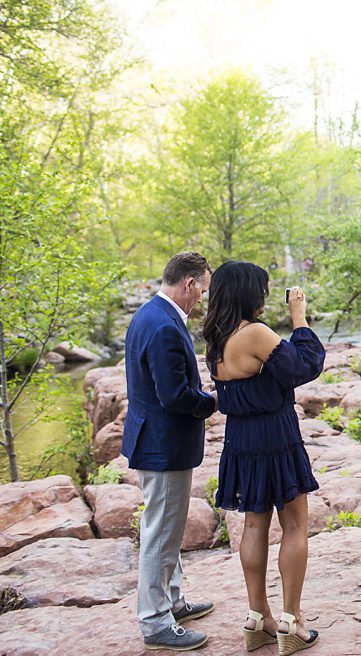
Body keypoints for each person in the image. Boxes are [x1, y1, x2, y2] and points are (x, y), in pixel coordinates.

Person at [204, 262, 323, 654]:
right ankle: (291, 621)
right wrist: (299, 317)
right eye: (262, 290)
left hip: (241, 440)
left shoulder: (215, 337)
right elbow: (304, 367)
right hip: (275, 436)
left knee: (254, 528)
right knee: (294, 525)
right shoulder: (255, 333)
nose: (265, 297)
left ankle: (259, 618)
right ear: (248, 293)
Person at [122, 251, 217, 651]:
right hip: (163, 446)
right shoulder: (162, 326)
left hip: (155, 441)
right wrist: (211, 402)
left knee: (167, 529)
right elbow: (174, 395)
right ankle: (155, 622)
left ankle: (173, 602)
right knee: (160, 533)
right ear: (189, 284)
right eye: (203, 292)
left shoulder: (149, 314)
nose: (202, 301)